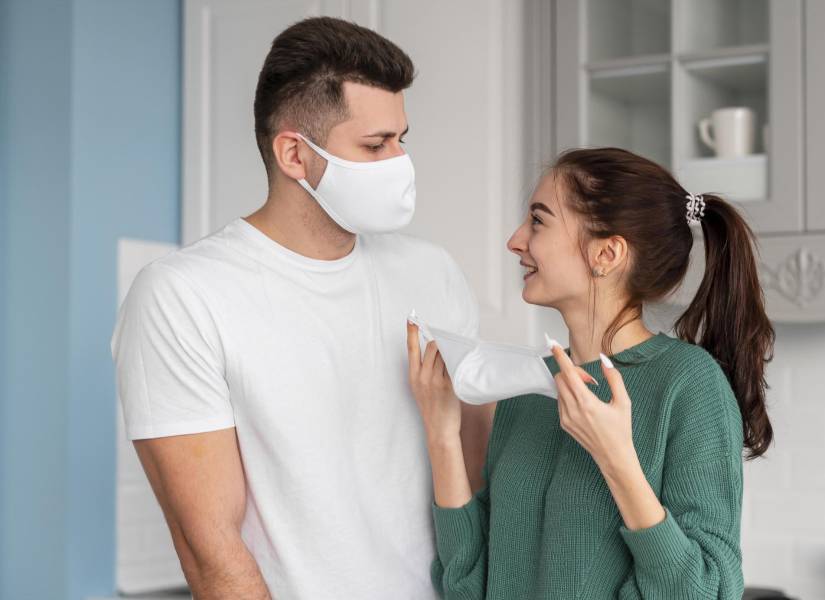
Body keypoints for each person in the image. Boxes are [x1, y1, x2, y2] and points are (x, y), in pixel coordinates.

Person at [111, 16, 493, 599]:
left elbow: (476, 474)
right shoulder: (182, 296)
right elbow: (211, 551)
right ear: (294, 153)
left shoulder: (432, 273)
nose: (400, 162)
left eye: (401, 139)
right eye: (375, 145)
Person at [407, 147, 775, 598]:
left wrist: (617, 459)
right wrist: (442, 436)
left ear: (607, 253)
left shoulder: (688, 385)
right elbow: (468, 587)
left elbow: (708, 592)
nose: (515, 241)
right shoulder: (529, 387)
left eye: (538, 221)